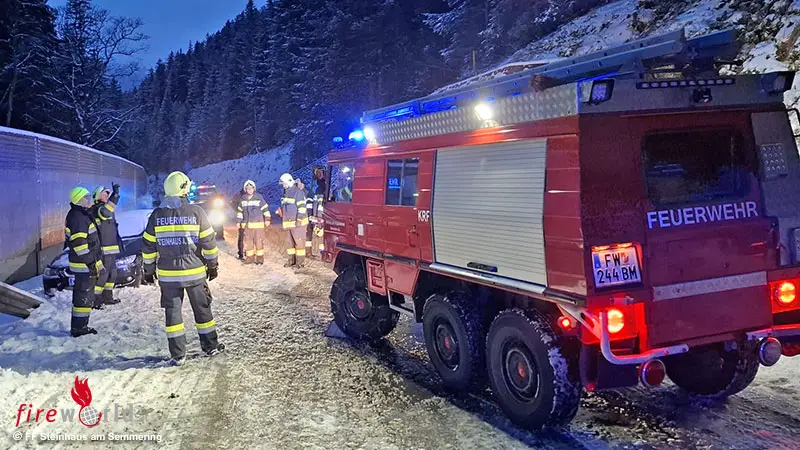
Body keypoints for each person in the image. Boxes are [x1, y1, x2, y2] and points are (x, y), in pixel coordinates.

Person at [142, 171, 224, 365]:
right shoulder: (197, 212)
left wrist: (148, 270)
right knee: (202, 310)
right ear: (184, 189)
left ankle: (178, 355)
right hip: (194, 273)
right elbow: (209, 242)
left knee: (173, 314)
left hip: (168, 276)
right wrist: (212, 265)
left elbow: (148, 245)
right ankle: (210, 346)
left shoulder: (157, 214)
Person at [65, 187, 102, 337]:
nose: (89, 200)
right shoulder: (78, 218)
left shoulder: (80, 214)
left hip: (84, 264)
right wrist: (91, 263)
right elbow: (80, 245)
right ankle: (79, 329)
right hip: (83, 265)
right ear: (79, 200)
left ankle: (81, 326)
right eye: (86, 198)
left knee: (84, 296)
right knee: (82, 297)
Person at [91, 184, 122, 308]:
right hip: (103, 249)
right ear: (98, 196)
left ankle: (108, 297)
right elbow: (106, 211)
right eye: (104, 194)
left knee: (112, 273)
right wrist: (115, 196)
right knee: (103, 275)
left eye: (108, 194)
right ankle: (96, 300)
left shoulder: (105, 209)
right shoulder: (98, 209)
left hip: (111, 248)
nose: (107, 196)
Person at [237, 180, 270, 265]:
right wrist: (238, 221)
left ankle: (259, 260)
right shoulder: (243, 199)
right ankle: (249, 259)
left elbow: (265, 209)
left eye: (251, 188)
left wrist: (267, 219)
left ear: (254, 189)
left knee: (259, 243)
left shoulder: (259, 198)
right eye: (248, 189)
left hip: (258, 226)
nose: (249, 190)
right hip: (247, 226)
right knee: (249, 244)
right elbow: (240, 212)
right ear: (245, 189)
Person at [279, 173, 308, 269]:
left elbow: (302, 208)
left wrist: (299, 219)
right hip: (289, 223)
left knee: (299, 244)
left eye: (284, 183)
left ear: (289, 182)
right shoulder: (286, 192)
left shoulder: (298, 192)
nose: (283, 185)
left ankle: (300, 263)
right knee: (289, 244)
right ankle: (291, 261)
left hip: (298, 223)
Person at [295, 179, 314, 258]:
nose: (298, 186)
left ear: (302, 184)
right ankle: (299, 253)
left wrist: (310, 217)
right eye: (296, 184)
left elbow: (310, 206)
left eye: (299, 184)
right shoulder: (295, 193)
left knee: (308, 235)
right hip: (299, 218)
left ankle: (308, 252)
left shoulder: (308, 193)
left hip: (306, 217)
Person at [310, 166, 327, 257]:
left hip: (321, 217)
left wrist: (319, 217)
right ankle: (316, 251)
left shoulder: (324, 188)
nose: (318, 175)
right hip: (317, 217)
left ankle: (320, 253)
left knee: (321, 235)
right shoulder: (317, 188)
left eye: (320, 173)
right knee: (317, 234)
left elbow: (321, 205)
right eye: (317, 173)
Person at [230, 188, 246, 260]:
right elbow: (232, 204)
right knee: (242, 236)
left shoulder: (253, 195)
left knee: (250, 237)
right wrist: (239, 210)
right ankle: (241, 253)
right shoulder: (238, 195)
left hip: (251, 218)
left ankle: (247, 253)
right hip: (242, 218)